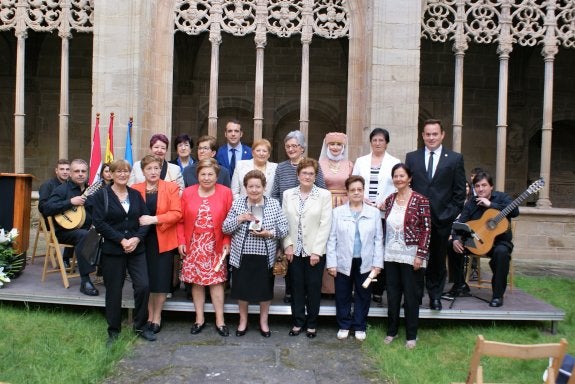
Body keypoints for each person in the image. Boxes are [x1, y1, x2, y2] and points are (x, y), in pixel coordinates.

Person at [91, 159, 155, 344]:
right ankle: (114, 331)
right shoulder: (101, 196)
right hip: (113, 250)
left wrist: (136, 239)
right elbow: (100, 223)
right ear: (110, 174)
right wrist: (121, 240)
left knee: (143, 286)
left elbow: (145, 219)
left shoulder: (135, 195)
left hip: (136, 248)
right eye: (118, 171)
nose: (122, 174)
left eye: (126, 171)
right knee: (114, 290)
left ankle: (140, 326)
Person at [405, 118, 466, 311]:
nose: (431, 137)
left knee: (438, 261)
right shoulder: (412, 158)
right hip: (417, 221)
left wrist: (448, 215)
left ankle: (435, 296)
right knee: (415, 259)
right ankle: (414, 296)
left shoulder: (455, 159)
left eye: (435, 134)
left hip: (442, 220)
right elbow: (408, 187)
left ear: (442, 135)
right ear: (422, 135)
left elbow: (459, 194)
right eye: (427, 134)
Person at [222, 170, 289, 337]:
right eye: (250, 186)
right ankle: (243, 321)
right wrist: (241, 218)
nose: (254, 190)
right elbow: (225, 228)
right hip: (241, 256)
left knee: (264, 291)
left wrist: (269, 233)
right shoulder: (238, 204)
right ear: (245, 188)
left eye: (257, 186)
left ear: (264, 187)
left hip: (265, 256)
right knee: (241, 291)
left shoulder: (273, 204)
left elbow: (284, 229)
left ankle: (263, 322)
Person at [446, 171, 518, 307]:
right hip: (476, 241)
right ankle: (460, 284)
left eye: (484, 185)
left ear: (491, 186)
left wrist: (491, 205)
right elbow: (460, 223)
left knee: (501, 253)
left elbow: (515, 211)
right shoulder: (471, 203)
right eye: (477, 186)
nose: (480, 189)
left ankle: (497, 295)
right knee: (451, 245)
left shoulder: (502, 198)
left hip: (499, 242)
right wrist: (455, 238)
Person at [178, 158, 233, 337]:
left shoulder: (226, 193)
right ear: (197, 175)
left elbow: (230, 220)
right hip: (194, 243)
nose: (207, 177)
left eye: (210, 174)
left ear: (217, 176)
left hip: (215, 244)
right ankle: (199, 319)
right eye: (203, 174)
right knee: (197, 282)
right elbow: (180, 220)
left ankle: (220, 320)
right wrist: (181, 241)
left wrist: (226, 242)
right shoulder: (187, 193)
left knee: (216, 282)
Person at [326, 175, 383, 341]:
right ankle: (344, 325)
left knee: (363, 294)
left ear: (363, 191)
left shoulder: (373, 213)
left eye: (359, 189)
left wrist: (377, 264)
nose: (356, 193)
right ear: (347, 193)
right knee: (342, 294)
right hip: (343, 260)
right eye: (352, 190)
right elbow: (332, 239)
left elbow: (378, 239)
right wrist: (331, 264)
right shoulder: (337, 213)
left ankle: (359, 326)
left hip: (365, 261)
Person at [271, 130, 326, 303]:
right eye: (288, 146)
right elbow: (275, 194)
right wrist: (277, 217)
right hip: (287, 219)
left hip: (310, 219)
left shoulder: (313, 166)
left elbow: (322, 188)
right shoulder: (281, 167)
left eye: (294, 146)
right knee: (289, 255)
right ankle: (290, 291)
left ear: (302, 148)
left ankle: (308, 295)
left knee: (307, 261)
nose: (291, 149)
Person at [382, 163, 431, 350]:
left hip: (411, 255)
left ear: (409, 178)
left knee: (411, 296)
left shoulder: (421, 200)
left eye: (402, 176)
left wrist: (420, 254)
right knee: (393, 295)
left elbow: (427, 229)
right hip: (391, 255)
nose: (398, 179)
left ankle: (411, 335)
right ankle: (391, 331)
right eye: (395, 176)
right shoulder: (390, 200)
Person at [282, 158, 332, 338]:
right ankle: (297, 322)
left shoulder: (324, 195)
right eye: (304, 173)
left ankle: (311, 323)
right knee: (296, 288)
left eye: (311, 173)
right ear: (298, 175)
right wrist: (287, 244)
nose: (307, 176)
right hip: (293, 251)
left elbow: (325, 224)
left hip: (314, 252)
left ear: (315, 176)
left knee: (313, 287)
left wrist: (317, 251)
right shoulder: (288, 194)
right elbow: (283, 222)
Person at [132, 155, 182, 334]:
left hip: (163, 240)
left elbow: (177, 213)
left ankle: (157, 316)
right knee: (145, 281)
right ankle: (147, 313)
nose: (153, 172)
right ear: (143, 171)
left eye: (156, 168)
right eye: (149, 169)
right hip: (141, 241)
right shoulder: (135, 189)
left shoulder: (171, 187)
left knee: (160, 281)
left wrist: (154, 219)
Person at [352, 128, 400, 303]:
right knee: (364, 248)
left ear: (387, 142)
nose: (378, 143)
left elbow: (398, 186)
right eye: (375, 140)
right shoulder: (361, 161)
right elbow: (354, 182)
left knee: (381, 250)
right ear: (370, 142)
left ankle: (378, 289)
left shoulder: (394, 162)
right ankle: (362, 286)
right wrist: (362, 198)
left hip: (383, 213)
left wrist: (386, 202)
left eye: (381, 140)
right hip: (362, 210)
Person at [43, 159, 99, 296]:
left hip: (85, 229)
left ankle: (107, 274)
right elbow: (46, 208)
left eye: (83, 171)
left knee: (101, 233)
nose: (80, 174)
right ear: (71, 174)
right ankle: (85, 281)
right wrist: (70, 202)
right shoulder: (62, 190)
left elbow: (97, 212)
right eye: (76, 171)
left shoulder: (91, 191)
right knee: (85, 235)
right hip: (64, 232)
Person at [318, 132, 354, 297]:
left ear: (343, 146)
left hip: (345, 206)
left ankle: (341, 285)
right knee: (325, 243)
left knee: (342, 243)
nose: (335, 147)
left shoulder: (349, 165)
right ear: (326, 145)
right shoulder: (319, 164)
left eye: (338, 144)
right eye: (331, 144)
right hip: (324, 205)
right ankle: (325, 287)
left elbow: (354, 187)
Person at [38, 159, 72, 266]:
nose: (65, 172)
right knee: (74, 228)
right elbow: (42, 207)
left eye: (67, 169)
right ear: (56, 171)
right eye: (62, 169)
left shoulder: (71, 186)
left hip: (67, 217)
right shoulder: (48, 185)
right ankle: (65, 258)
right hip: (51, 220)